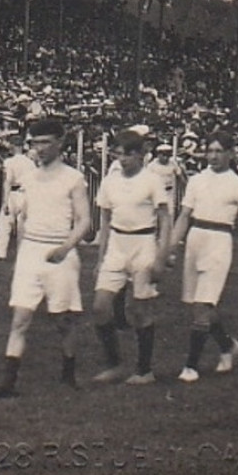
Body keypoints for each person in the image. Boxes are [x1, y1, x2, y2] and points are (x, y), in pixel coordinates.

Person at [0, 117, 92, 397]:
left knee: (64, 320)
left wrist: (65, 248)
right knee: (20, 317)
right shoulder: (28, 177)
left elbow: (84, 221)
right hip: (31, 251)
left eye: (45, 142)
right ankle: (8, 381)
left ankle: (69, 375)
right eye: (34, 143)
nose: (39, 149)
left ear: (59, 143)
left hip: (60, 253)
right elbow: (25, 216)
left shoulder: (73, 178)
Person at [164, 130, 238, 382]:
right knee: (197, 306)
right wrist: (169, 248)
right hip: (195, 239)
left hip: (220, 241)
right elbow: (184, 217)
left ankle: (190, 366)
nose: (213, 156)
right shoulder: (197, 181)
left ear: (229, 153)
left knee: (204, 304)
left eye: (218, 151)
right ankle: (227, 347)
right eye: (210, 151)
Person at [90, 130, 173, 385]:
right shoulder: (109, 181)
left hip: (144, 243)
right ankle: (114, 364)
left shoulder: (152, 180)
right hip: (117, 243)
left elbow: (165, 219)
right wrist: (100, 257)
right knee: (100, 307)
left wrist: (161, 256)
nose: (123, 159)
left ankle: (144, 370)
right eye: (119, 153)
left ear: (141, 155)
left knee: (140, 309)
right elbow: (104, 221)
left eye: (129, 154)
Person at [0, 133, 36, 261]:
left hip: (13, 194)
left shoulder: (9, 162)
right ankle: (22, 255)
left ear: (11, 146)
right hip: (27, 194)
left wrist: (5, 202)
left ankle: (2, 254)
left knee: (5, 224)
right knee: (23, 227)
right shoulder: (30, 163)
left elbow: (7, 181)